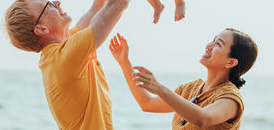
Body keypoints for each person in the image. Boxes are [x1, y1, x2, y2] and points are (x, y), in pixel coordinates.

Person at [4, 0, 141, 130]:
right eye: (48, 5)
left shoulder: (62, 52)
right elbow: (118, 3)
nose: (56, 2)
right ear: (41, 29)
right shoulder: (65, 58)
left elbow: (98, 6)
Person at [109, 29, 258, 130]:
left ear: (231, 62)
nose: (209, 46)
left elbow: (203, 119)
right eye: (213, 40)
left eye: (218, 44)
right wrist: (124, 62)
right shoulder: (190, 89)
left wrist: (160, 88)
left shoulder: (230, 99)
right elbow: (147, 104)